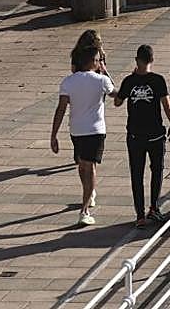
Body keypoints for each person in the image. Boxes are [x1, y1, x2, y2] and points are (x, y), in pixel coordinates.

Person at [52, 47, 117, 226]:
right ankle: (85, 209)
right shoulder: (102, 80)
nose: (99, 63)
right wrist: (106, 72)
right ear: (92, 62)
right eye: (98, 60)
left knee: (82, 166)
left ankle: (88, 195)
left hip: (76, 131)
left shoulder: (68, 82)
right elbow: (116, 95)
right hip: (95, 130)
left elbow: (61, 108)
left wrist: (54, 134)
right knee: (90, 167)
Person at [115, 44, 170, 228]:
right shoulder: (158, 80)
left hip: (135, 136)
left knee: (137, 174)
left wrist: (129, 82)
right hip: (156, 135)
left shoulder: (129, 81)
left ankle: (139, 215)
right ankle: (154, 208)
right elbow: (167, 106)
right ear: (152, 60)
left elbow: (118, 102)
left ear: (137, 60)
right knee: (156, 171)